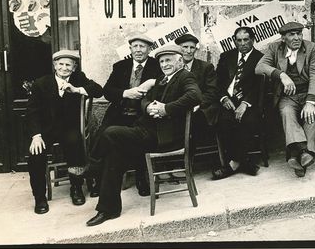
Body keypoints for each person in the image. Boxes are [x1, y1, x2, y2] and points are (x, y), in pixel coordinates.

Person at [86, 44, 202, 226]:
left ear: (180, 61)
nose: (164, 64)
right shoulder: (162, 79)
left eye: (169, 60)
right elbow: (144, 99)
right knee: (113, 156)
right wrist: (148, 106)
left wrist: (166, 109)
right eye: (162, 61)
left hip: (163, 138)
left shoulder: (186, 77)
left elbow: (195, 96)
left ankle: (92, 166)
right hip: (146, 132)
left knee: (110, 132)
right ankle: (108, 210)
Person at [26, 50, 103, 214]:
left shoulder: (78, 79)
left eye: (68, 65)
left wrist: (76, 89)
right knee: (36, 154)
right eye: (60, 64)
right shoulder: (41, 83)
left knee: (75, 142)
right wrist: (36, 135)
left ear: (74, 68)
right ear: (54, 65)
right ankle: (40, 197)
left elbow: (98, 90)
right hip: (46, 130)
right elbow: (32, 112)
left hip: (69, 127)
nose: (64, 68)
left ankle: (76, 188)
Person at [86, 32, 161, 197]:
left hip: (143, 115)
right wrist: (126, 93)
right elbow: (107, 92)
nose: (138, 50)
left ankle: (142, 179)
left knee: (142, 140)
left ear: (149, 49)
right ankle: (98, 178)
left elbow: (163, 87)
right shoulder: (120, 66)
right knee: (103, 135)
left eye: (142, 46)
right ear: (131, 49)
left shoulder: (157, 66)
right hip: (119, 113)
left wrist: (148, 89)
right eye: (135, 46)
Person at [255, 22, 315, 177]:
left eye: (299, 34)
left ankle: (295, 156)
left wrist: (310, 102)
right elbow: (259, 67)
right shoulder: (275, 48)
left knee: (310, 116)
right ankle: (304, 153)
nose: (297, 38)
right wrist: (281, 75)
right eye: (292, 35)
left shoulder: (311, 48)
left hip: (310, 93)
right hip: (288, 96)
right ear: (283, 38)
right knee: (287, 112)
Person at [212, 27, 264, 179]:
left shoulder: (261, 58)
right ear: (235, 41)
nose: (242, 44)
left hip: (249, 102)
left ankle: (233, 163)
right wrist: (223, 98)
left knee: (246, 121)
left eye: (246, 39)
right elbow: (217, 82)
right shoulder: (226, 56)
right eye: (239, 40)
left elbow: (259, 86)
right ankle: (246, 161)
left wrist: (245, 103)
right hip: (228, 100)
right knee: (223, 121)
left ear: (253, 40)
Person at [174, 33, 219, 144]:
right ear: (179, 49)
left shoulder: (206, 67)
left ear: (196, 50)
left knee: (195, 121)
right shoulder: (173, 66)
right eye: (185, 47)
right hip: (177, 107)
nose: (189, 51)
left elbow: (211, 92)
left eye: (192, 47)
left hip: (199, 108)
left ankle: (192, 155)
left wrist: (197, 104)